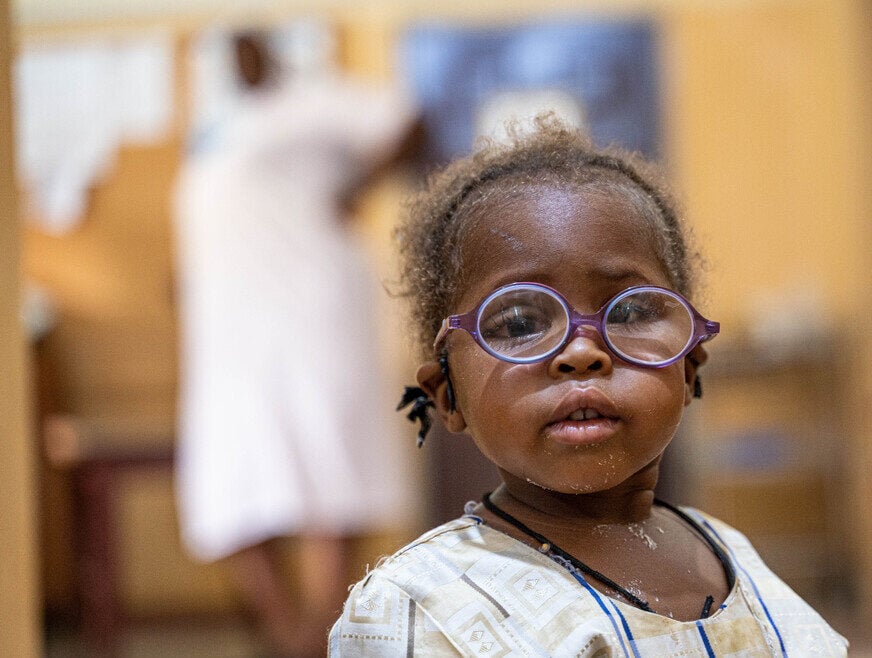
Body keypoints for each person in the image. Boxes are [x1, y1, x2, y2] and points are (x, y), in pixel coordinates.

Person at [328, 116, 848, 655]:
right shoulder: (420, 605)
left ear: (689, 365)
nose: (581, 353)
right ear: (446, 394)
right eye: (519, 324)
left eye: (630, 313)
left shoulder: (733, 553)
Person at [174, 30, 420, 656]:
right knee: (234, 488)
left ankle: (323, 634)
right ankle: (289, 636)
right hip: (229, 332)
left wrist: (354, 190)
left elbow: (411, 122)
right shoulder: (218, 125)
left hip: (310, 317)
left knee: (325, 473)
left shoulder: (321, 101)